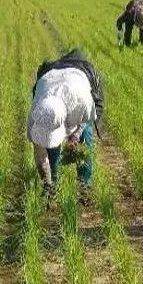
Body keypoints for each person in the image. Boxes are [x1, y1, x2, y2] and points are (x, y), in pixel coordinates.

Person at [28, 49, 104, 192]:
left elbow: (88, 118)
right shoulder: (35, 116)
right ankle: (54, 182)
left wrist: (75, 135)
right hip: (50, 79)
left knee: (85, 137)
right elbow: (40, 155)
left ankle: (84, 185)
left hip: (79, 79)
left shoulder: (81, 101)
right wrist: (47, 182)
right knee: (50, 147)